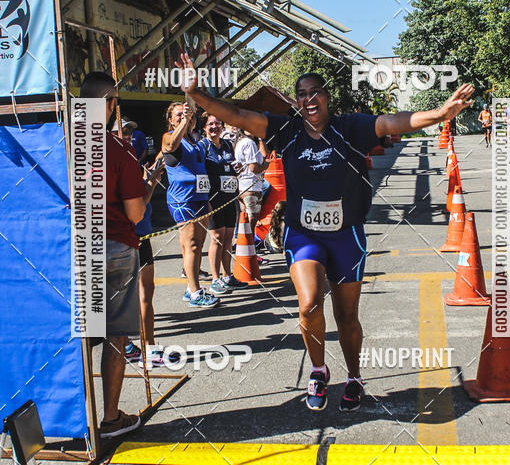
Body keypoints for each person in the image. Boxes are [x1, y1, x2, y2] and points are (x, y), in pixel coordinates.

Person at [178, 52, 474, 412]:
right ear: (296, 101)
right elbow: (237, 115)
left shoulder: (350, 128)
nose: (309, 98)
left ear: (327, 97)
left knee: (347, 317)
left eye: (315, 91)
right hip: (304, 234)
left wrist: (439, 115)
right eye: (302, 93)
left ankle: (354, 375)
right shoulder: (284, 130)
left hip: (346, 236)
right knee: (308, 304)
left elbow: (394, 121)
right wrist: (196, 94)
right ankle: (318, 370)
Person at [79, 73, 159, 438]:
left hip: (74, 248)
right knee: (114, 336)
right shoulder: (116, 148)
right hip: (114, 250)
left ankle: (73, 415)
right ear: (109, 104)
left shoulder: (63, 144)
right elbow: (136, 213)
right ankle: (110, 417)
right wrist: (148, 185)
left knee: (80, 336)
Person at [161, 101, 218, 309]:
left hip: (200, 199)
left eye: (190, 116)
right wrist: (183, 122)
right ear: (170, 120)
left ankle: (190, 288)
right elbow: (169, 147)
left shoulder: (194, 141)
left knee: (196, 246)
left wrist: (207, 200)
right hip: (183, 201)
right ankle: (195, 292)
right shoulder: (169, 137)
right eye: (178, 115)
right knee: (191, 246)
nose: (186, 119)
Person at [120, 121, 165, 366]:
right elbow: (135, 209)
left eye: (129, 133)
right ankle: (126, 345)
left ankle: (150, 347)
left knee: (147, 294)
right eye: (122, 132)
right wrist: (151, 183)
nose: (127, 137)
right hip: (126, 239)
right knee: (126, 298)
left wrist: (150, 178)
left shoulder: (134, 162)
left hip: (143, 237)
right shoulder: (115, 165)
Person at [198, 114, 244, 295]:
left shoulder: (226, 144)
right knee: (216, 238)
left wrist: (236, 171)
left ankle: (227, 275)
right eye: (210, 124)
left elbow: (230, 167)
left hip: (229, 197)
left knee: (228, 238)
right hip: (213, 199)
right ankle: (215, 279)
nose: (215, 126)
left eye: (218, 123)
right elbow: (200, 174)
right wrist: (205, 201)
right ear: (204, 127)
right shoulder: (202, 147)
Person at [234, 129, 269, 236]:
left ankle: (243, 246)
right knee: (251, 220)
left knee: (244, 219)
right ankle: (249, 246)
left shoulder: (240, 142)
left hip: (242, 186)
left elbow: (263, 156)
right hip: (251, 187)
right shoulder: (249, 143)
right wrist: (265, 166)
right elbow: (254, 167)